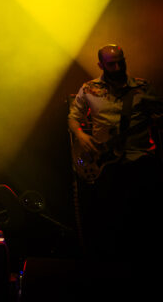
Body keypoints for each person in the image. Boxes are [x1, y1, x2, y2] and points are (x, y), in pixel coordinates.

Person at [67, 44, 162, 261]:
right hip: (106, 164)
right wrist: (81, 136)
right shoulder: (89, 89)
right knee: (109, 220)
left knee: (144, 220)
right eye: (112, 64)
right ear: (101, 65)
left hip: (140, 160)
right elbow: (73, 118)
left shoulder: (142, 87)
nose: (118, 67)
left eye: (121, 62)